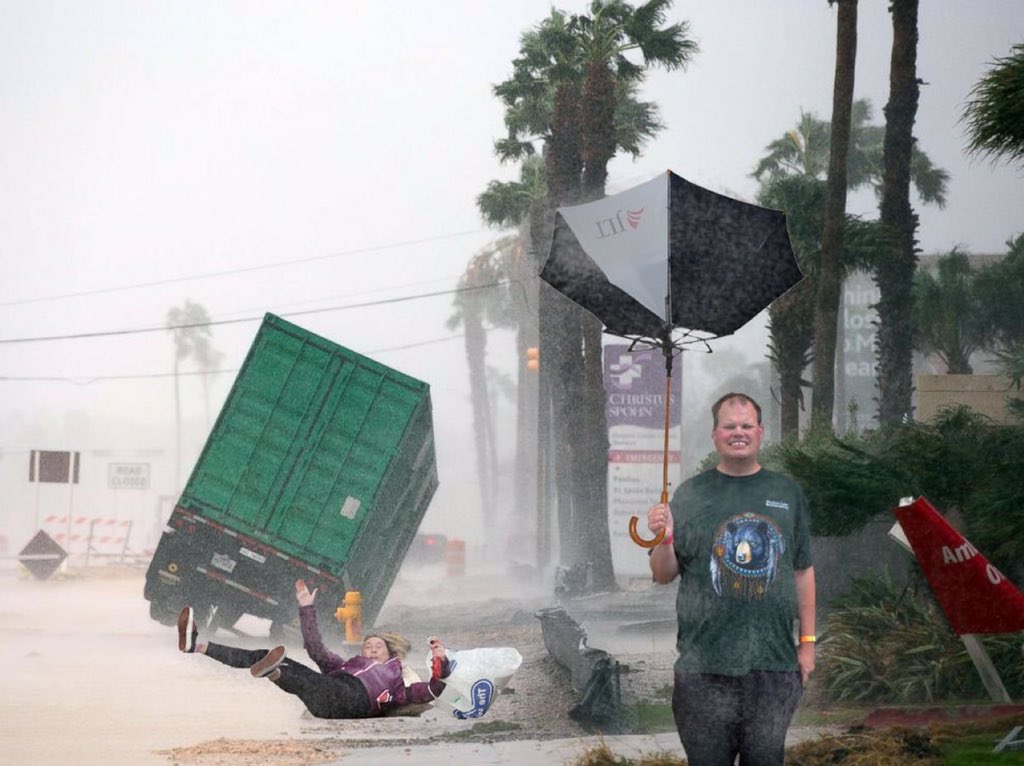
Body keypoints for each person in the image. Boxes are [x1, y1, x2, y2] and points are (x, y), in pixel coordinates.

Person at [647, 392, 816, 766]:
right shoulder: (690, 495)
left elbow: (803, 571)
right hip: (703, 669)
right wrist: (666, 538)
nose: (738, 432)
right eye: (729, 426)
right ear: (715, 435)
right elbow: (662, 573)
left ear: (760, 432)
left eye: (746, 425)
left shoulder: (786, 493)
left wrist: (807, 644)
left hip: (772, 667)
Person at [176, 579, 450, 719]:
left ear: (391, 654)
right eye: (368, 647)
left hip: (355, 702)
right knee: (269, 657)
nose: (372, 650)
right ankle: (197, 645)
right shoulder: (344, 665)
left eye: (378, 647)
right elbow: (315, 647)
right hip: (328, 696)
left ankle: (274, 673)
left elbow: (429, 691)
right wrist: (306, 607)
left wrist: (442, 665)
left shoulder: (397, 680)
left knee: (313, 683)